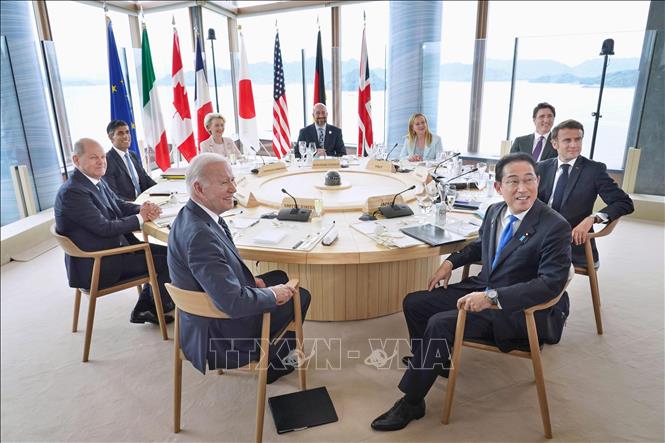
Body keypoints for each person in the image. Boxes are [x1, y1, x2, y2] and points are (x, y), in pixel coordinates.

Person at [371, 152, 572, 432]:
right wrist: (450, 263)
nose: (523, 188)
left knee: (440, 323)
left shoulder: (555, 227)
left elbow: (549, 284)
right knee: (415, 303)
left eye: (529, 180)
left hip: (514, 310)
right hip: (482, 286)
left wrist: (492, 298)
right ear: (498, 187)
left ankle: (412, 401)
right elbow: (480, 246)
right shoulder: (495, 211)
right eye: (513, 181)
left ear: (538, 181)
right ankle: (433, 361)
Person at [167, 153, 311, 381]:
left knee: (279, 275)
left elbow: (217, 275)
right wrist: (273, 294)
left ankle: (274, 355)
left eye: (233, 180)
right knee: (299, 295)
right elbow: (232, 303)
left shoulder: (191, 214)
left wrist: (251, 283)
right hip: (221, 333)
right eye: (224, 182)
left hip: (208, 314)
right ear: (199, 188)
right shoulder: (200, 237)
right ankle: (272, 363)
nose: (234, 189)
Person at [54, 138, 174, 325]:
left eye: (103, 157)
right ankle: (153, 306)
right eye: (94, 157)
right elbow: (105, 227)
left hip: (113, 249)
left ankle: (147, 306)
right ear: (76, 160)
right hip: (99, 263)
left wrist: (142, 209)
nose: (101, 162)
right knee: (169, 260)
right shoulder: (73, 192)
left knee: (172, 252)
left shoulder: (93, 181)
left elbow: (118, 205)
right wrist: (141, 218)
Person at [537, 119, 634, 266]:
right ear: (554, 144)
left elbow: (624, 202)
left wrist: (593, 218)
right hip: (539, 236)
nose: (574, 145)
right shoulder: (540, 168)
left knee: (542, 264)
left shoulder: (594, 170)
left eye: (578, 139)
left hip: (572, 241)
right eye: (567, 140)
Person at [103, 120, 157, 201]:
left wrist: (163, 190)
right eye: (120, 133)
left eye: (127, 132)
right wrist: (137, 206)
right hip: (129, 206)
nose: (126, 136)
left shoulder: (133, 155)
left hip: (145, 201)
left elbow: (146, 179)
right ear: (111, 137)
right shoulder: (107, 161)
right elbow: (114, 196)